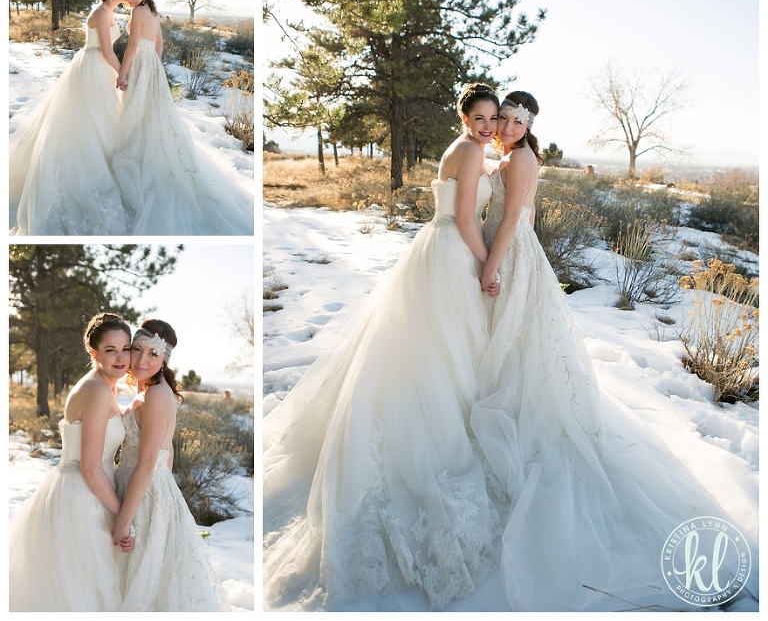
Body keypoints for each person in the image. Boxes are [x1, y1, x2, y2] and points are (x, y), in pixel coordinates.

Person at [472, 91, 758, 611]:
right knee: (511, 343)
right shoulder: (515, 157)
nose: (507, 127)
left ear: (529, 125)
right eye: (503, 119)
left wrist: (494, 265)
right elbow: (524, 216)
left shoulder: (523, 159)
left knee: (515, 345)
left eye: (516, 121)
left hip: (506, 255)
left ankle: (514, 413)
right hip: (513, 254)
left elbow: (512, 219)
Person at [263, 83, 508, 610]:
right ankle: (444, 433)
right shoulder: (469, 151)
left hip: (437, 247)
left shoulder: (464, 149)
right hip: (454, 252)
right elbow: (467, 219)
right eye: (481, 118)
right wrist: (488, 264)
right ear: (464, 116)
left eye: (494, 118)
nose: (489, 126)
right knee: (447, 348)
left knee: (437, 348)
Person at [9, 313, 135, 611]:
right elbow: (89, 466)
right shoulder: (97, 390)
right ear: (94, 353)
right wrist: (124, 517)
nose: (121, 358)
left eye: (126, 348)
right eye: (110, 350)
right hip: (84, 497)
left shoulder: (105, 385)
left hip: (89, 489)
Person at [112, 0, 253, 235]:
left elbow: (131, 47)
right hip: (152, 66)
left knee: (137, 111)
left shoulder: (138, 12)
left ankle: (139, 158)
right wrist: (155, 65)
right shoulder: (152, 11)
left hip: (141, 65)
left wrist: (123, 73)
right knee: (151, 113)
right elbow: (159, 42)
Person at [113, 319, 232, 611]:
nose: (141, 360)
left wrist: (124, 521)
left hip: (141, 496)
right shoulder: (153, 389)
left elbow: (147, 463)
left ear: (164, 359)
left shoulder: (155, 394)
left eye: (153, 353)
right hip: (148, 491)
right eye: (137, 349)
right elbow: (169, 452)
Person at [9, 0, 128, 235]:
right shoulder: (100, 13)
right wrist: (123, 74)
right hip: (94, 68)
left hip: (100, 68)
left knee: (101, 119)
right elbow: (107, 51)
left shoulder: (108, 11)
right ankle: (86, 174)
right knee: (88, 121)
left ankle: (104, 163)